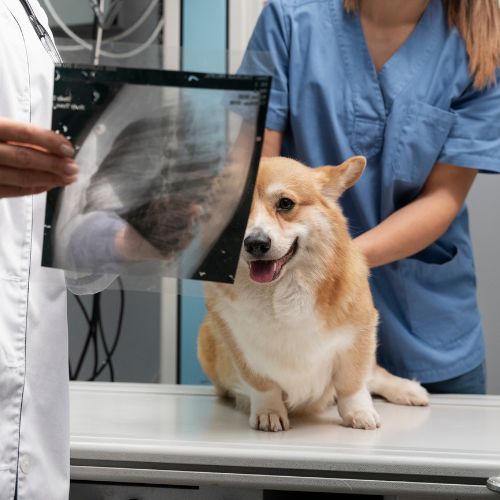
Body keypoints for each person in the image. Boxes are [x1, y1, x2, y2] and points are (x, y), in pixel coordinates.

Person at [241, 0, 500, 393]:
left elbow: (442, 198)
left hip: (425, 327)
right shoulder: (291, 18)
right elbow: (256, 169)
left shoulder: (481, 44)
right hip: (295, 326)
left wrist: (338, 264)